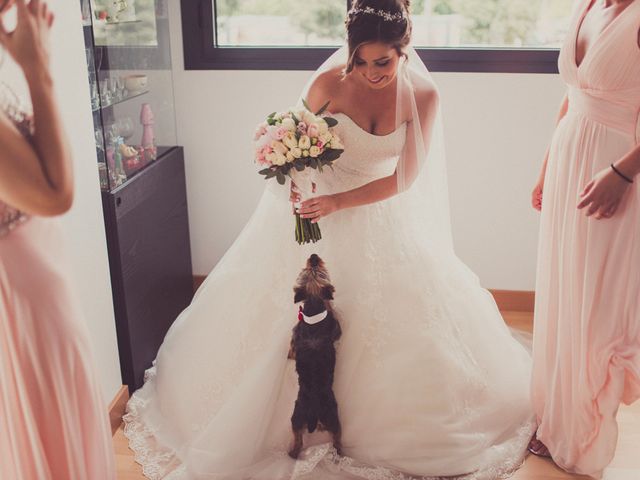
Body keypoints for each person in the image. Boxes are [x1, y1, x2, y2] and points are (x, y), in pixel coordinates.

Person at [124, 1, 534, 478]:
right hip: (314, 212)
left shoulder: (423, 96)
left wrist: (341, 203)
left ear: (405, 50)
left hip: (377, 212)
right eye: (359, 60)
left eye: (382, 61)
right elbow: (289, 145)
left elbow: (404, 179)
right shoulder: (327, 83)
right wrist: (296, 179)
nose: (369, 72)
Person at [0, 0, 116, 478]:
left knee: (62, 404)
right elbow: (54, 194)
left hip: (39, 274)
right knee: (50, 414)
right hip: (22, 291)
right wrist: (38, 67)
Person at [530, 0, 640, 476]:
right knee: (566, 293)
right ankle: (559, 417)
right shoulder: (587, 4)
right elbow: (571, 96)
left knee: (602, 307)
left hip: (618, 169)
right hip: (571, 163)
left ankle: (584, 429)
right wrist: (546, 167)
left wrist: (623, 172)